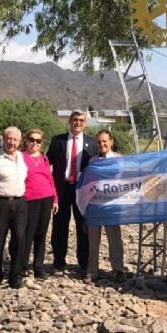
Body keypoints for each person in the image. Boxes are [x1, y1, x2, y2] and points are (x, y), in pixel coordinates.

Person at [46, 111, 98, 274]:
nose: (78, 123)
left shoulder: (92, 143)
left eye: (81, 120)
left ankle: (84, 263)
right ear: (69, 121)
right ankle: (58, 262)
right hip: (62, 188)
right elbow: (47, 163)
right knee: (59, 226)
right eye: (75, 120)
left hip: (82, 190)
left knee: (83, 226)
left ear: (85, 123)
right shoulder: (57, 140)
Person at [0, 126, 29, 288]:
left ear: (19, 141)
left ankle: (15, 276)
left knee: (20, 238)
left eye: (15, 140)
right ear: (3, 139)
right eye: (9, 139)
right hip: (0, 203)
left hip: (20, 202)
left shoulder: (22, 157)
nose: (12, 142)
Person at [84, 130, 126, 283]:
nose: (102, 144)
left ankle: (118, 269)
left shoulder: (120, 159)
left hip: (112, 205)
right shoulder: (93, 161)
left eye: (105, 141)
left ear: (111, 142)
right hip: (95, 205)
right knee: (93, 240)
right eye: (99, 142)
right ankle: (92, 271)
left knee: (115, 239)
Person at [22, 128, 59, 280]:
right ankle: (22, 265)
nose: (35, 143)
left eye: (38, 140)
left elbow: (50, 178)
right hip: (29, 198)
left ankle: (38, 266)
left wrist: (55, 199)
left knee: (41, 233)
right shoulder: (21, 157)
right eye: (32, 140)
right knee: (28, 233)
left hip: (46, 197)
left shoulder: (44, 158)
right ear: (26, 141)